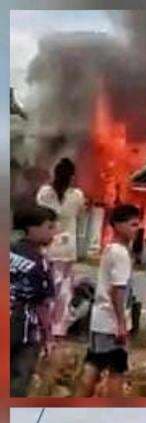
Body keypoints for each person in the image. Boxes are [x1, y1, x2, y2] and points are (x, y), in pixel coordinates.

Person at [77, 204, 140, 397]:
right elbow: (117, 290)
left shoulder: (111, 249)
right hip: (111, 320)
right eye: (133, 224)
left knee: (95, 362)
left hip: (101, 318)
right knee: (116, 368)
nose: (136, 229)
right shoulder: (121, 254)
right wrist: (121, 324)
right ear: (118, 225)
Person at [10, 205, 57, 396]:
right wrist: (48, 336)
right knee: (20, 375)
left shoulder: (9, 250)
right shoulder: (39, 262)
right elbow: (42, 303)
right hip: (22, 326)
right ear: (31, 228)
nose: (54, 232)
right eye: (49, 227)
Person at [36, 157, 86, 337]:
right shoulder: (77, 196)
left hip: (50, 245)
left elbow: (40, 215)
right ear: (72, 177)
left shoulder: (45, 193)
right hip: (68, 248)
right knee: (64, 288)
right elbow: (81, 213)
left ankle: (44, 324)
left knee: (47, 286)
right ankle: (59, 327)